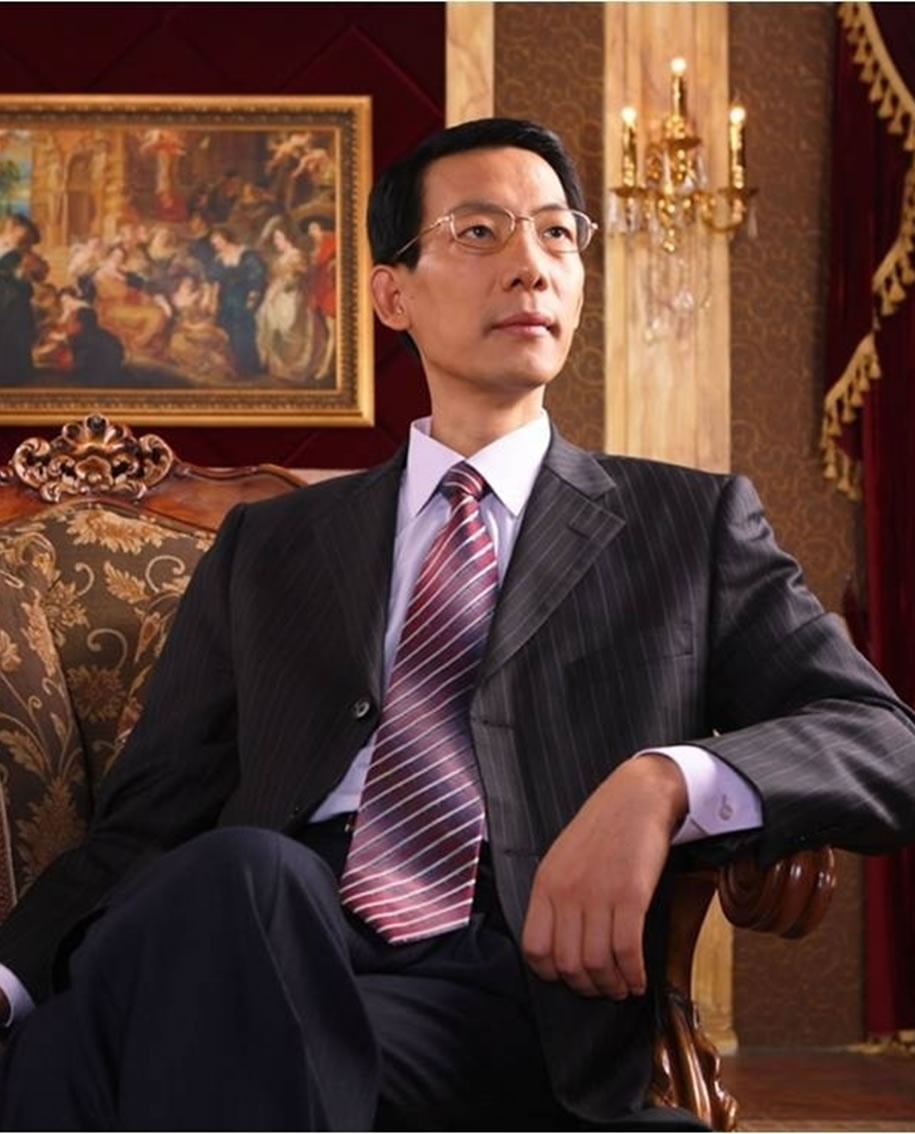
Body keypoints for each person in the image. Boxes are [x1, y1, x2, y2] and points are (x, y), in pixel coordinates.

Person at [0, 117, 914, 1132]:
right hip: (257, 931)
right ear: (392, 295)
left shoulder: (687, 525)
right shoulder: (272, 545)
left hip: (505, 990)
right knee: (240, 877)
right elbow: (146, 824)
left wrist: (663, 781)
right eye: (480, 232)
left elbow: (884, 742)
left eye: (557, 233)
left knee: (74, 1061)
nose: (531, 264)